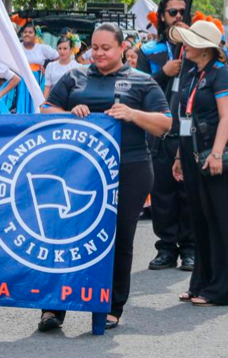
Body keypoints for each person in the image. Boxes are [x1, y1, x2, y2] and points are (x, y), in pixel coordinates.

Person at [39, 23, 172, 332]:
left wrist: (132, 114)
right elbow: (45, 108)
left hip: (131, 168)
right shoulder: (75, 76)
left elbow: (164, 123)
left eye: (105, 48)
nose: (98, 53)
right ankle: (53, 308)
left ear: (122, 48)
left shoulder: (142, 81)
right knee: (66, 236)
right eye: (94, 47)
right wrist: (69, 113)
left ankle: (113, 306)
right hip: (77, 171)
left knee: (119, 238)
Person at [167, 21, 228, 308]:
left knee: (220, 221)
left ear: (205, 48)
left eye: (190, 41)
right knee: (199, 220)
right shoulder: (192, 73)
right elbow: (184, 119)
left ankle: (224, 288)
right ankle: (201, 281)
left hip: (213, 155)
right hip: (190, 153)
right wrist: (179, 156)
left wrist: (216, 153)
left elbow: (226, 117)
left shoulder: (221, 74)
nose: (184, 45)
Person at [137, 0, 195, 272]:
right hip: (159, 129)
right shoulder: (149, 51)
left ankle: (190, 248)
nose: (178, 17)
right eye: (173, 12)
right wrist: (165, 73)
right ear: (162, 16)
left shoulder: (199, 49)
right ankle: (166, 248)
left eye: (183, 12)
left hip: (189, 128)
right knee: (162, 192)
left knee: (188, 191)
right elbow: (137, 88)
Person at [16, 22, 59, 114]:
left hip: (38, 80)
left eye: (30, 32)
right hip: (22, 81)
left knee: (37, 105)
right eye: (25, 32)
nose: (27, 34)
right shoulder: (17, 47)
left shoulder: (42, 48)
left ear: (35, 35)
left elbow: (58, 56)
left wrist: (48, 69)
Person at [43, 33, 81, 100]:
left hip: (70, 101)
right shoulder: (50, 66)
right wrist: (44, 105)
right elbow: (47, 87)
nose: (62, 51)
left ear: (71, 50)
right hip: (54, 101)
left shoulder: (77, 67)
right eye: (59, 48)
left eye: (65, 48)